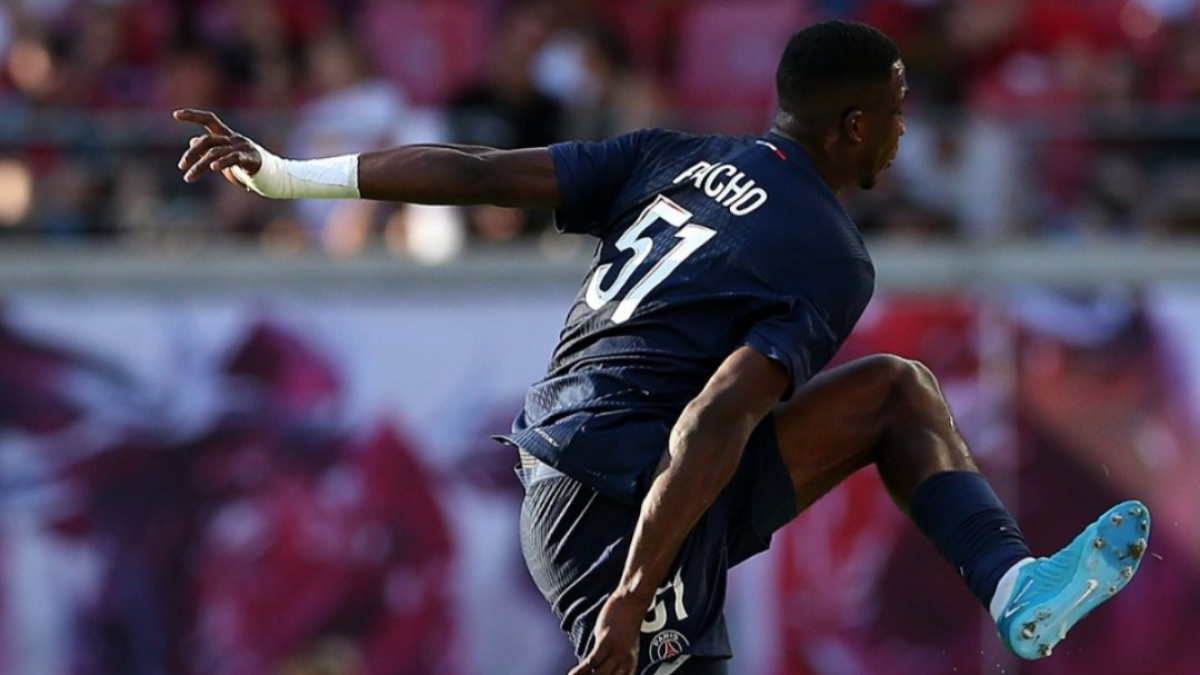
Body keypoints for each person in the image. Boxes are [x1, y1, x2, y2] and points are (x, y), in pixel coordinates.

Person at [173, 20, 1151, 675]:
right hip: (618, 497)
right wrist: (634, 591)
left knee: (895, 391)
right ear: (856, 126)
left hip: (601, 468)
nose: (902, 132)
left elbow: (473, 170)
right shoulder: (825, 250)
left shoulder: (670, 157)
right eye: (894, 112)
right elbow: (720, 410)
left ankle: (1015, 586)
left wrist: (288, 177)